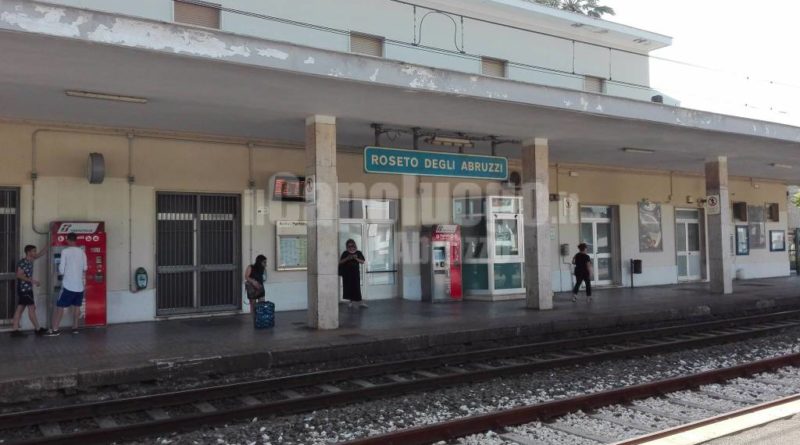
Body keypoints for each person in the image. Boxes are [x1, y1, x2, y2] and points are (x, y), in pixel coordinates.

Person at [47, 233, 87, 336]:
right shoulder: (82, 252)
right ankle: (75, 328)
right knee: (77, 307)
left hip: (68, 285)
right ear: (76, 240)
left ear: (68, 240)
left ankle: (55, 329)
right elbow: (85, 268)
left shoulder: (65, 251)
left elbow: (61, 269)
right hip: (79, 286)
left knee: (60, 307)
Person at [10, 244, 48, 337]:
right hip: (24, 290)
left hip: (27, 289)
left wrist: (49, 244)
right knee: (31, 308)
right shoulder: (23, 262)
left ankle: (15, 330)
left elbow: (40, 254)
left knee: (20, 308)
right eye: (34, 251)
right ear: (28, 252)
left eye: (35, 251)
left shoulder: (31, 260)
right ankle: (38, 329)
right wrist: (33, 281)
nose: (35, 253)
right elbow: (19, 275)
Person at [339, 239, 366, 308]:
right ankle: (350, 302)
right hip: (347, 274)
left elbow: (362, 261)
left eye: (352, 245)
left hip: (355, 273)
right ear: (347, 246)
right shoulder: (345, 253)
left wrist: (356, 258)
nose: (351, 247)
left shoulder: (358, 252)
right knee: (348, 287)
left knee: (357, 287)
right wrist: (348, 258)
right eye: (349, 246)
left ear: (354, 245)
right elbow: (340, 262)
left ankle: (360, 302)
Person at [245, 255, 267, 323]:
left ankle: (261, 318)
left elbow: (264, 278)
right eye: (264, 262)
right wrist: (253, 281)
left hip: (260, 287)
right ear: (259, 261)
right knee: (253, 305)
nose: (265, 263)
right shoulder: (250, 267)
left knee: (262, 303)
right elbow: (246, 277)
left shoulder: (263, 268)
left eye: (265, 262)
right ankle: (255, 319)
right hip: (252, 288)